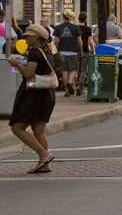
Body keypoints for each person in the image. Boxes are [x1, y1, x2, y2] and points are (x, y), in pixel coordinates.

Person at [7, 24, 57, 174]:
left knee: (17, 127)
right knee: (39, 129)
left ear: (35, 37)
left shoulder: (35, 51)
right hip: (47, 94)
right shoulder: (49, 50)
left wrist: (17, 64)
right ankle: (44, 164)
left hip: (34, 94)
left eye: (28, 36)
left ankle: (43, 154)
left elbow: (29, 74)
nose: (25, 38)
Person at [52, 9, 83, 97]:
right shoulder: (75, 27)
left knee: (64, 70)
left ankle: (67, 91)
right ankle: (70, 82)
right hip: (73, 51)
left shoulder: (58, 27)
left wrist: (57, 51)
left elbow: (56, 41)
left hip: (62, 51)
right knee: (73, 69)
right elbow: (79, 41)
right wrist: (80, 50)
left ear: (63, 17)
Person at [75, 12, 94, 96]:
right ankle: (80, 86)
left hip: (75, 50)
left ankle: (73, 85)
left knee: (75, 69)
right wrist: (93, 49)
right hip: (85, 50)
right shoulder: (88, 29)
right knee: (83, 69)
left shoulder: (75, 28)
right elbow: (90, 41)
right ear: (86, 19)